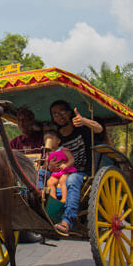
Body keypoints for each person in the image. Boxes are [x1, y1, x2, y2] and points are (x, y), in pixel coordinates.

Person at [50, 100, 103, 235]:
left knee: (72, 180)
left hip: (83, 171)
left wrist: (84, 121)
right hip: (62, 172)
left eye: (62, 112)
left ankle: (67, 220)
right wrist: (50, 165)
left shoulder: (81, 127)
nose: (59, 116)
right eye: (55, 114)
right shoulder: (56, 136)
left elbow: (99, 129)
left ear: (69, 113)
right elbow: (51, 156)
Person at [44, 130, 76, 201]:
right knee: (50, 182)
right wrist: (46, 166)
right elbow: (46, 165)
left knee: (63, 180)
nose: (48, 141)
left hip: (66, 171)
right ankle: (53, 198)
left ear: (58, 141)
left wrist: (66, 165)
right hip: (56, 173)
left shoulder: (63, 150)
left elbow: (71, 159)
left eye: (51, 138)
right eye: (46, 139)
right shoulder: (48, 154)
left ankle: (64, 198)